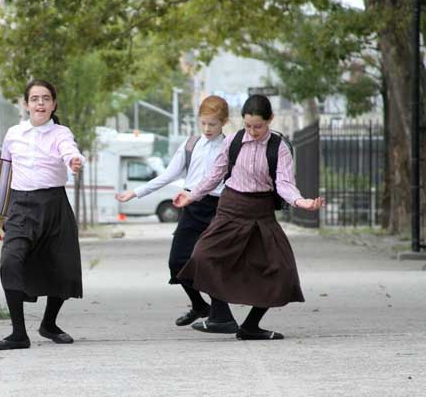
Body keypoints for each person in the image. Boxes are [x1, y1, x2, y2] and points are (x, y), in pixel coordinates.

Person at [173, 94, 324, 340]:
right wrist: (192, 195)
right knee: (202, 257)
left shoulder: (279, 147)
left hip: (261, 213)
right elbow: (215, 175)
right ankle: (220, 316)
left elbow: (284, 183)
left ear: (270, 119)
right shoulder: (233, 141)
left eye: (258, 126)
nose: (252, 132)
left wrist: (300, 201)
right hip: (231, 209)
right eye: (248, 126)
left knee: (282, 269)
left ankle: (250, 326)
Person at [116, 96, 229, 327]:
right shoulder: (191, 145)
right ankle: (199, 305)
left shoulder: (230, 147)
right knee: (177, 261)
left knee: (209, 262)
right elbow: (168, 175)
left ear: (224, 122)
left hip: (218, 209)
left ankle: (222, 317)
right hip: (191, 208)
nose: (207, 129)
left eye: (213, 124)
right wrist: (136, 192)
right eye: (203, 123)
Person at [0, 79, 85, 350]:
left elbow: (70, 151)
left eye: (46, 98)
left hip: (55, 204)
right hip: (21, 206)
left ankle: (49, 324)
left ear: (53, 104)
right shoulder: (14, 134)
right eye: (35, 99)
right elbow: (4, 168)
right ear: (26, 104)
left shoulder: (61, 133)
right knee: (10, 262)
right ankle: (18, 334)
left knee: (64, 268)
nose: (40, 103)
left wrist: (74, 160)